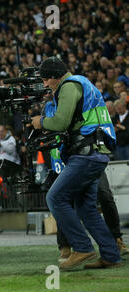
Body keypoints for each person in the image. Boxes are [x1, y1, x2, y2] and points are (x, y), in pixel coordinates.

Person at [31, 56, 121, 270]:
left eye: (46, 80)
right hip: (95, 152)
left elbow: (61, 121)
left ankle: (82, 247)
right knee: (86, 208)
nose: (44, 84)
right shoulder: (81, 83)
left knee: (55, 197)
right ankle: (111, 255)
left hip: (86, 154)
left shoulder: (69, 86)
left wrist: (40, 121)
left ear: (55, 76)